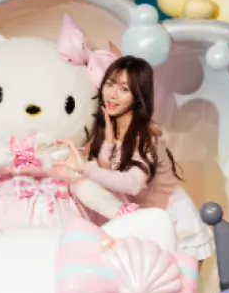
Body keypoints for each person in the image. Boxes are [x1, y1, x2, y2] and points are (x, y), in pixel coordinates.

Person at [53, 56, 214, 260]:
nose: (113, 94)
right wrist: (108, 142)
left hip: (175, 219)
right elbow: (108, 174)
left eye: (124, 89)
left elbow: (133, 184)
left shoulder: (145, 135)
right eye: (110, 84)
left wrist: (86, 169)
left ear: (137, 96)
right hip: (150, 219)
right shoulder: (111, 128)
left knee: (174, 280)